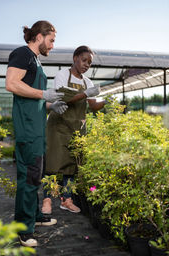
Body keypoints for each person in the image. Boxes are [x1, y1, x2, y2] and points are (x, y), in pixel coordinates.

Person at [6, 20, 68, 247]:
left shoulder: (36, 61)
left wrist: (52, 105)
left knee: (36, 175)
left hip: (37, 128)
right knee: (29, 176)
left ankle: (34, 217)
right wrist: (44, 94)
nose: (52, 45)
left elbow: (36, 97)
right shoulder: (22, 54)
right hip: (28, 129)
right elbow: (11, 84)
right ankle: (23, 229)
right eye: (51, 40)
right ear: (39, 36)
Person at [42, 45, 107, 215]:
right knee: (53, 164)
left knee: (72, 166)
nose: (87, 65)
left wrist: (108, 101)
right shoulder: (63, 75)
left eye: (90, 63)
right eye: (84, 60)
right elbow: (65, 100)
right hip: (58, 126)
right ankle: (47, 199)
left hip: (76, 128)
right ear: (75, 58)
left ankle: (67, 200)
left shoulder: (88, 82)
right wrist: (86, 94)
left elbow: (93, 106)